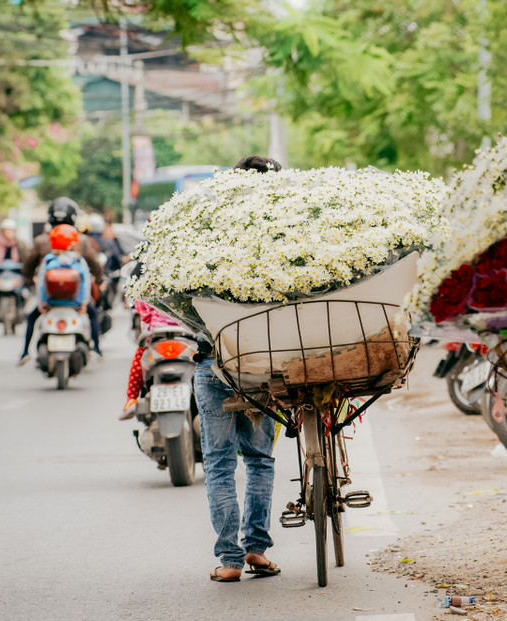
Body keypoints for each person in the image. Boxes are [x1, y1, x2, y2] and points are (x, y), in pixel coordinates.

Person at [192, 156, 282, 582]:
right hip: (266, 368)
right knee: (260, 461)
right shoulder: (290, 238)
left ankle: (229, 561)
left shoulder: (208, 236)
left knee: (219, 464)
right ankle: (256, 551)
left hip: (214, 365)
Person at [22, 197, 103, 361]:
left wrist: (31, 284)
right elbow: (93, 270)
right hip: (76, 303)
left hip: (49, 302)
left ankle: (25, 352)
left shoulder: (41, 243)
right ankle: (97, 348)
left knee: (31, 318)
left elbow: (29, 269)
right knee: (94, 314)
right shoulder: (82, 241)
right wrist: (98, 284)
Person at [119, 300, 181, 420]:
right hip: (186, 333)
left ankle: (131, 399)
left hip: (158, 333)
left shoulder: (149, 286)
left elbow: (145, 314)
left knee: (138, 360)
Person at [0, 219, 27, 314]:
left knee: (26, 288)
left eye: (11, 230)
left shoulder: (21, 245)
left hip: (16, 273)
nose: (9, 232)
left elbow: (27, 258)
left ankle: (20, 307)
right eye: (7, 230)